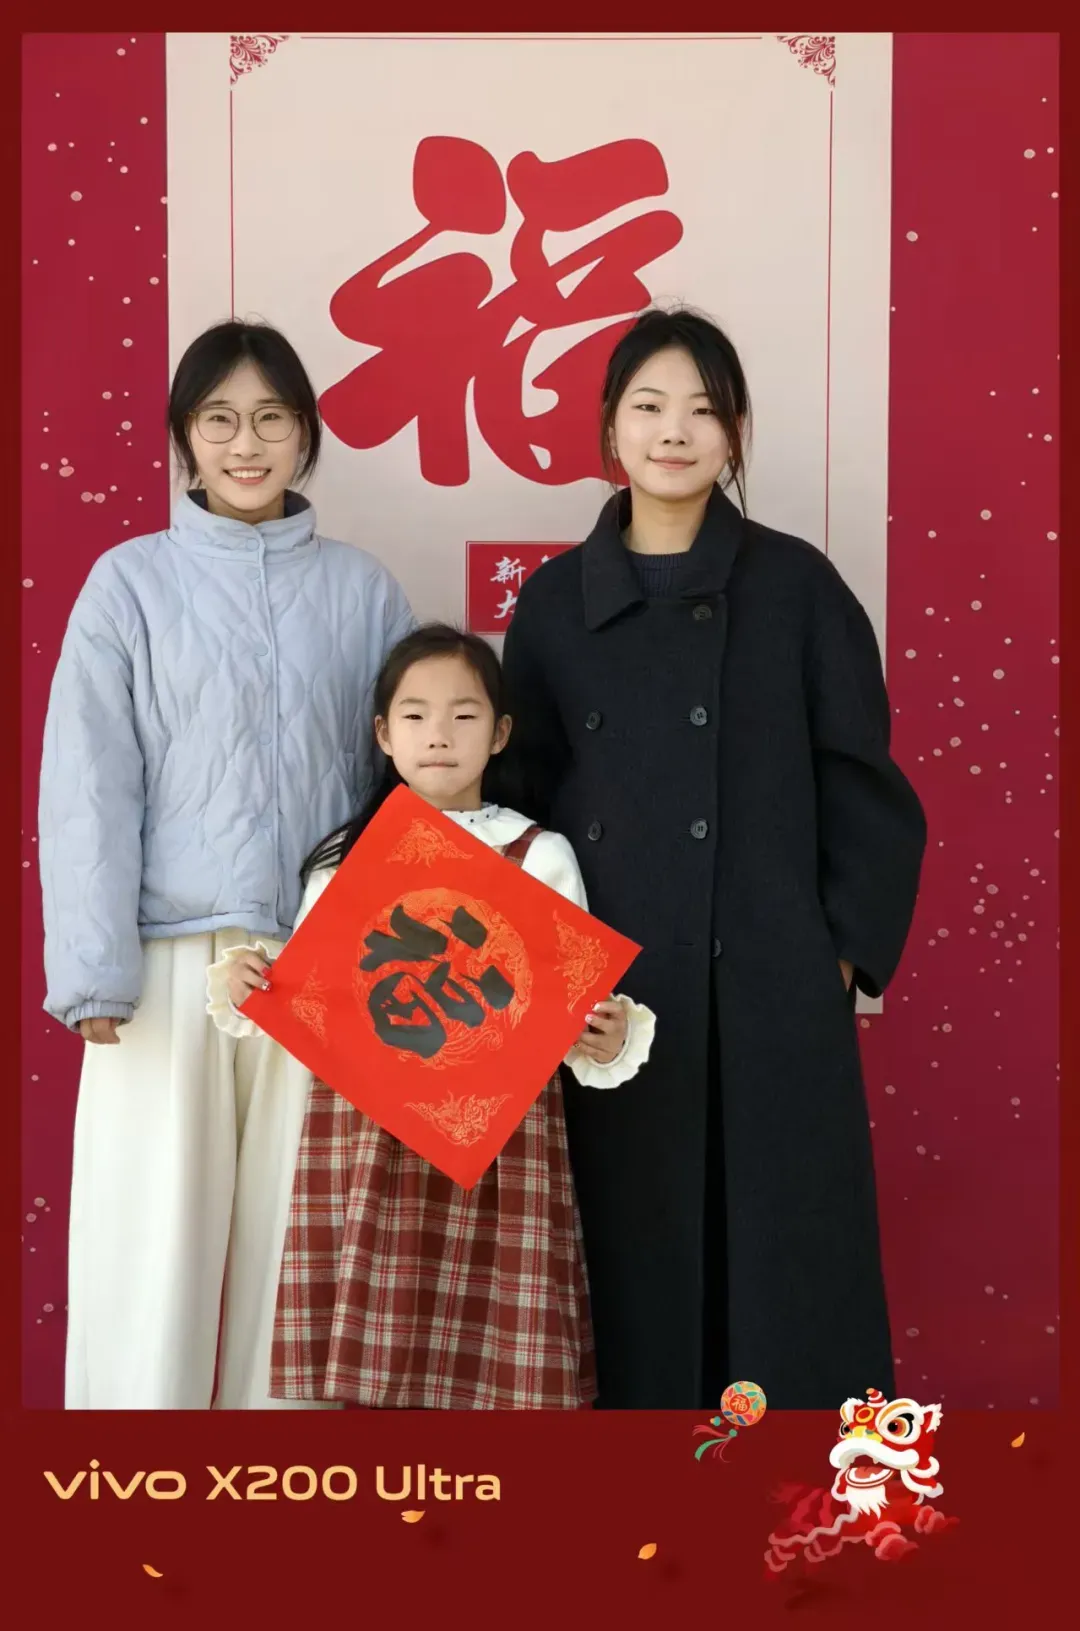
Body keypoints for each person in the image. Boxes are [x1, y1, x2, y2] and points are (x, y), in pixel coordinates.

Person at [501, 306, 927, 1411]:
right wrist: (548, 987)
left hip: (771, 993)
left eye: (702, 409)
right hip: (613, 1008)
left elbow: (865, 786)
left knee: (788, 1281)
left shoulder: (798, 587)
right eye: (649, 406)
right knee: (629, 1277)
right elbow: (517, 808)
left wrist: (834, 962)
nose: (674, 431)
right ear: (610, 426)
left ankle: (798, 1506)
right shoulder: (551, 605)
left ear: (735, 431)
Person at [39, 319, 416, 1409]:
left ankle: (281, 1488)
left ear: (306, 436)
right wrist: (96, 971)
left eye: (270, 419)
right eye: (218, 420)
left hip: (322, 963)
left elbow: (399, 792)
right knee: (148, 1251)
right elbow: (89, 786)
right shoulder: (129, 585)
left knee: (298, 1263)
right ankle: (131, 1479)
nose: (245, 444)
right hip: (167, 963)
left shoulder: (364, 591)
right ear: (183, 439)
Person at [205, 624, 655, 1409]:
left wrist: (607, 1037)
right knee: (379, 1365)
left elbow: (576, 1011)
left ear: (501, 732)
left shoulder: (539, 853)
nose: (439, 735)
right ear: (383, 734)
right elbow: (308, 1002)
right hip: (368, 1137)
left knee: (498, 1365)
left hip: (502, 1142)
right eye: (414, 715)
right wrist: (250, 984)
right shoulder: (343, 861)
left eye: (463, 715)